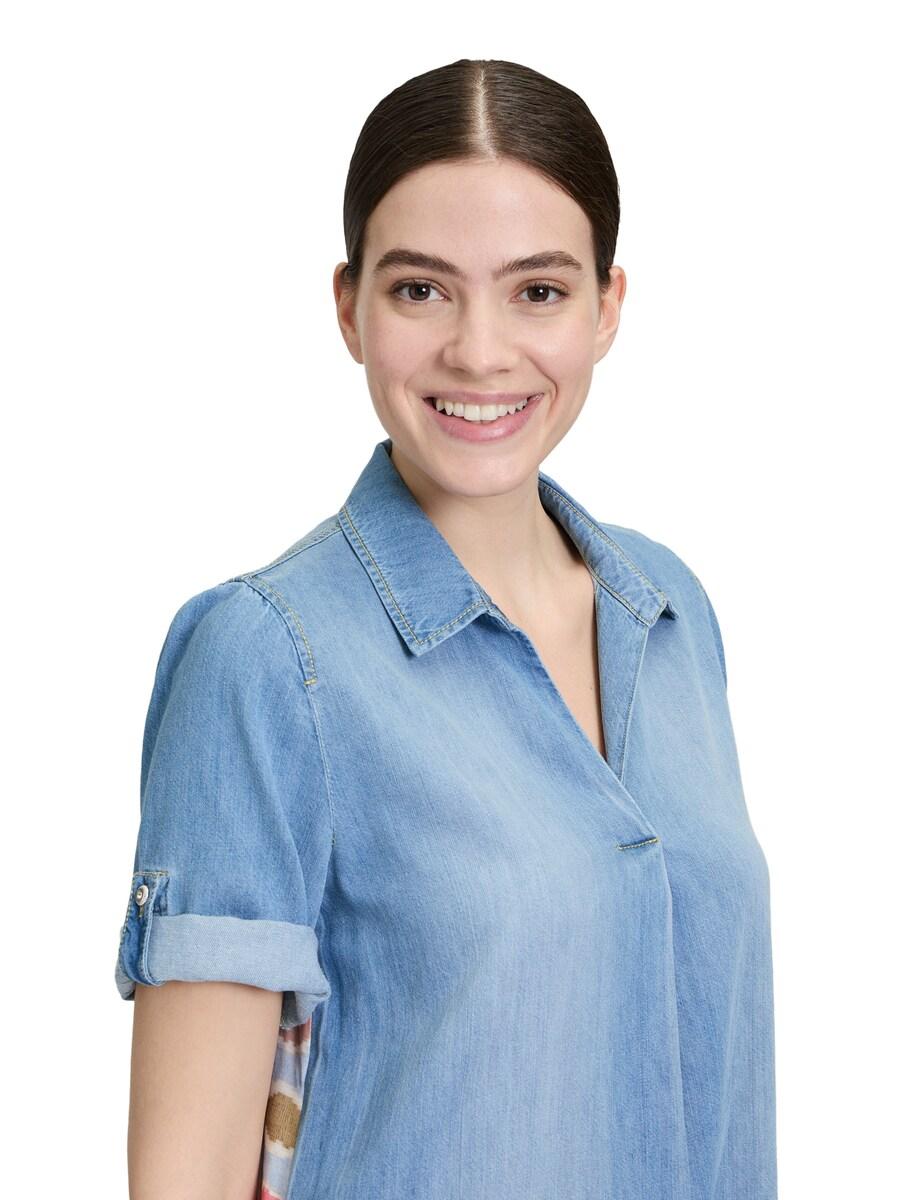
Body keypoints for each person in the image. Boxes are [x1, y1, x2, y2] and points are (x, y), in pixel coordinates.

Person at [115, 57, 777, 1200]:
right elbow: (190, 1180)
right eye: (421, 290)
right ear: (349, 307)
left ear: (608, 307)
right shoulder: (267, 659)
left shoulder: (670, 614)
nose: (479, 351)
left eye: (538, 291)